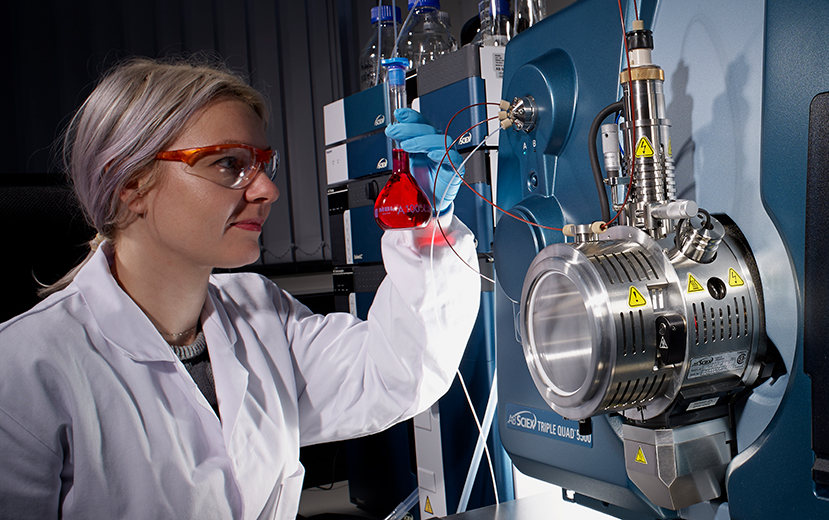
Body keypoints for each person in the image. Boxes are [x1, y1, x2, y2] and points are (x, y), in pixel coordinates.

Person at [0, 58, 480, 519]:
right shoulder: (24, 369)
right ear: (129, 184)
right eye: (228, 164)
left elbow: (395, 375)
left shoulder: (261, 313)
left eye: (263, 164)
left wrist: (425, 227)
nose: (267, 190)